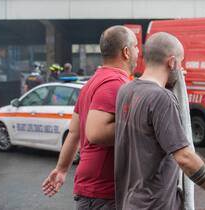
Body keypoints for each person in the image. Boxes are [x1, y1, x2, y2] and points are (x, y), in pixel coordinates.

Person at [114, 32, 205, 210]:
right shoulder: (162, 99)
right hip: (155, 205)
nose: (182, 69)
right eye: (180, 62)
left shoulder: (125, 90)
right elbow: (184, 158)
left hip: (129, 202)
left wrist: (169, 81)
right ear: (172, 62)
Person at [41, 25, 139, 210]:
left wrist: (62, 169)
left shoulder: (91, 83)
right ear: (126, 52)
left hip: (91, 190)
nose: (138, 51)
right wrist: (143, 121)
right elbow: (96, 133)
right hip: (105, 193)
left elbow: (73, 133)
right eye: (135, 47)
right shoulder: (115, 83)